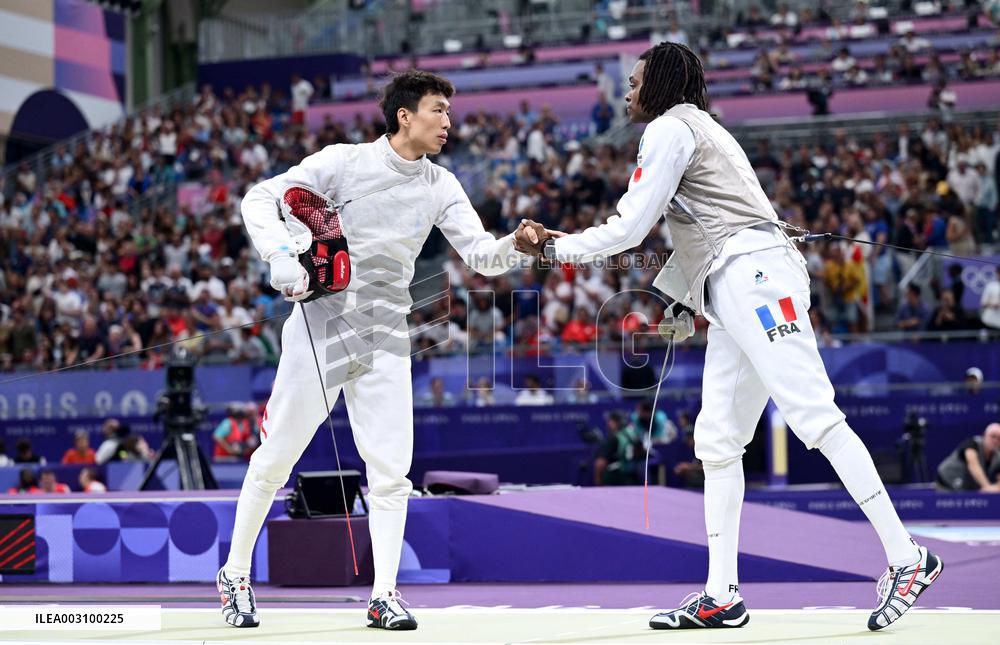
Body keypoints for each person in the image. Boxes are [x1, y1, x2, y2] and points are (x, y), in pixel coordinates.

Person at [516, 42, 941, 632]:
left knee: (814, 417)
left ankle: (907, 558)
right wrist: (690, 304)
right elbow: (704, 225)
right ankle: (722, 594)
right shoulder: (696, 128)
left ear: (660, 83)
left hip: (757, 278)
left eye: (635, 81)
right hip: (737, 281)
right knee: (717, 441)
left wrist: (555, 248)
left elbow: (633, 227)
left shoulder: (670, 127)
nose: (627, 91)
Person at [225, 70, 528, 630]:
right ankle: (236, 575)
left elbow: (482, 256)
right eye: (438, 110)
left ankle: (384, 594)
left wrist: (517, 246)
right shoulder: (343, 163)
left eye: (450, 112)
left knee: (391, 472)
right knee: (277, 458)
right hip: (322, 325)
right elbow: (260, 198)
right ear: (405, 116)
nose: (448, 122)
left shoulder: (441, 185)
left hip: (387, 333)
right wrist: (279, 256)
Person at [936, 423, 1000, 492]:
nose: (995, 441)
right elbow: (973, 465)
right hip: (947, 481)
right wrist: (987, 486)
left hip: (966, 488)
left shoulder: (997, 456)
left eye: (999, 438)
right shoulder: (972, 444)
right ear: (984, 435)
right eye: (993, 436)